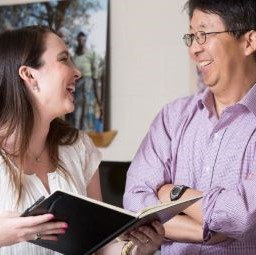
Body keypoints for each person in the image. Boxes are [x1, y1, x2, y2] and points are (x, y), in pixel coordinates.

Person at [0, 26, 164, 255]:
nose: (77, 72)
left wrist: (137, 249)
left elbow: (97, 246)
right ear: (29, 75)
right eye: (64, 59)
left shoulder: (78, 147)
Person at [123, 0, 256, 254]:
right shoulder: (172, 118)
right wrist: (206, 232)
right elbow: (135, 202)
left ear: (248, 42)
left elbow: (242, 215)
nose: (194, 49)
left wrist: (173, 193)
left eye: (204, 35)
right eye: (192, 37)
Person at [69, 31, 103, 131]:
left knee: (88, 114)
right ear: (77, 41)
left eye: (83, 39)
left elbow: (96, 78)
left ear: (85, 40)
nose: (81, 41)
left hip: (89, 86)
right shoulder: (74, 57)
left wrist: (99, 101)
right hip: (77, 87)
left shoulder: (91, 55)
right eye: (79, 39)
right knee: (77, 115)